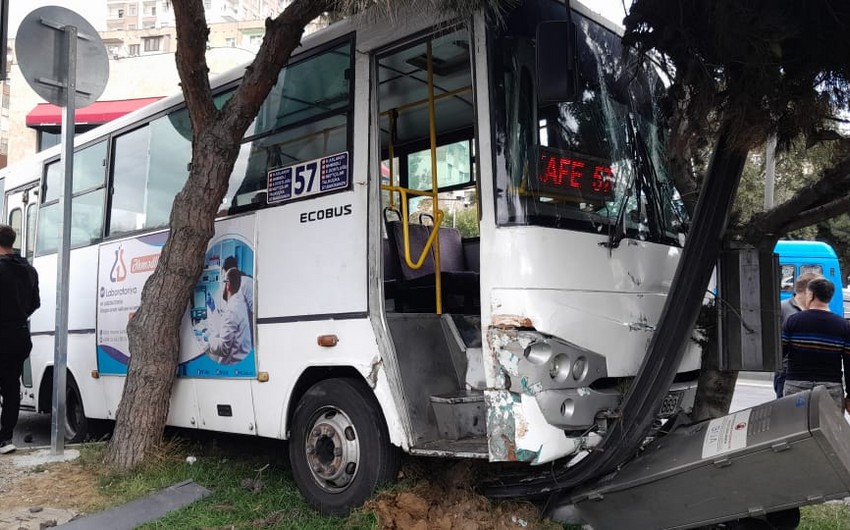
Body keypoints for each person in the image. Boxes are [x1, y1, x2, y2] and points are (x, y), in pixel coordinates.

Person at [782, 277, 850, 413]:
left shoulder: (794, 321)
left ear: (811, 295)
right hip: (830, 387)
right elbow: (849, 363)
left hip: (796, 384)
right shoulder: (844, 326)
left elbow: (780, 352)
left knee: (795, 429)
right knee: (830, 431)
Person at [0, 224, 40, 454]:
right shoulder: (29, 270)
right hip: (19, 336)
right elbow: (35, 303)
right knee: (11, 387)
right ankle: (5, 439)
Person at [774, 272, 820, 398]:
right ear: (808, 291)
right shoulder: (781, 308)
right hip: (787, 372)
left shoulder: (817, 309)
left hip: (813, 373)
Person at [204, 267, 252, 365]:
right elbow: (225, 328)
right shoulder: (239, 303)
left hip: (232, 362)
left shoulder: (232, 310)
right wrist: (213, 309)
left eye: (223, 282)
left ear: (228, 285)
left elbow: (223, 348)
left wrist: (209, 338)